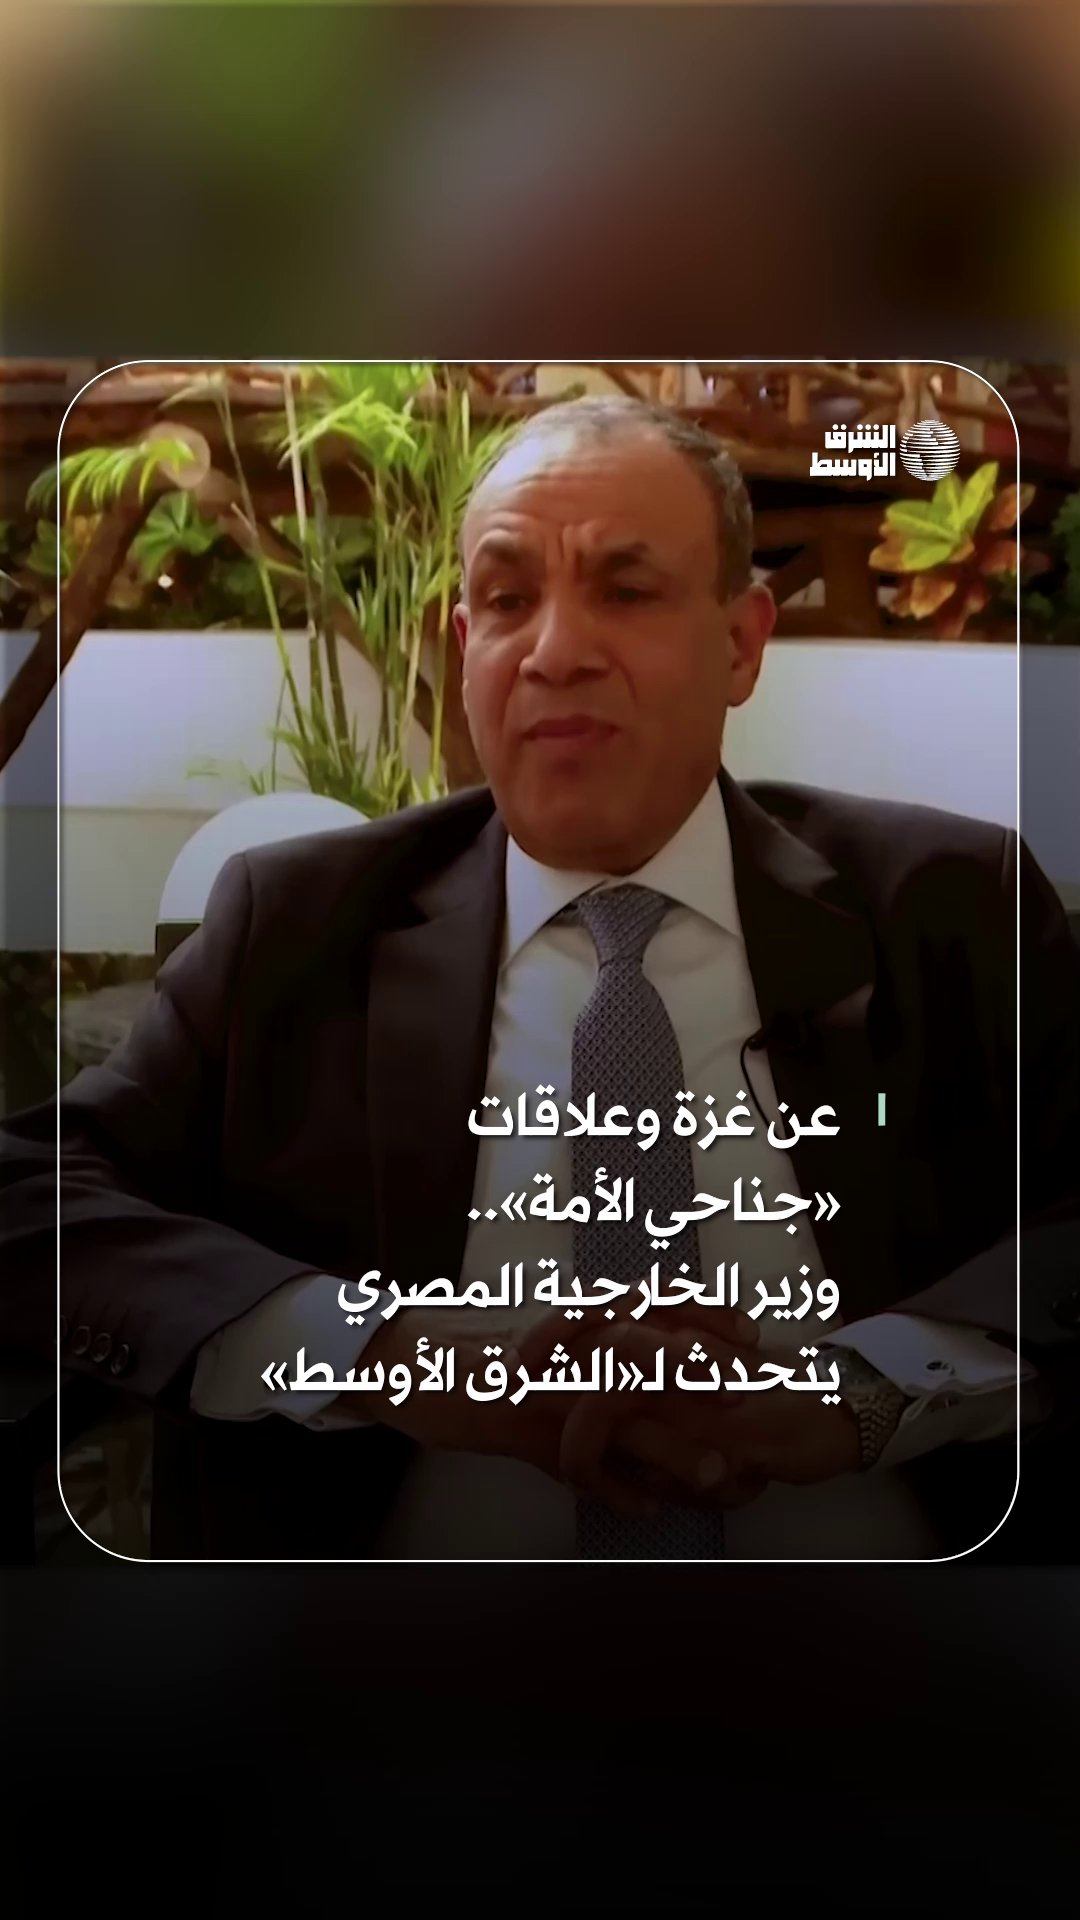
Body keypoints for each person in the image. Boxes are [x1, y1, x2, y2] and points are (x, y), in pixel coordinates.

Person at [4, 395, 1079, 1559]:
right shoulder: (298, 926)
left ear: (741, 644)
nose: (557, 652)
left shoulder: (949, 907)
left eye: (627, 590)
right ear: (468, 649)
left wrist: (865, 1391)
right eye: (509, 601)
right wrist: (386, 1355)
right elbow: (31, 1193)